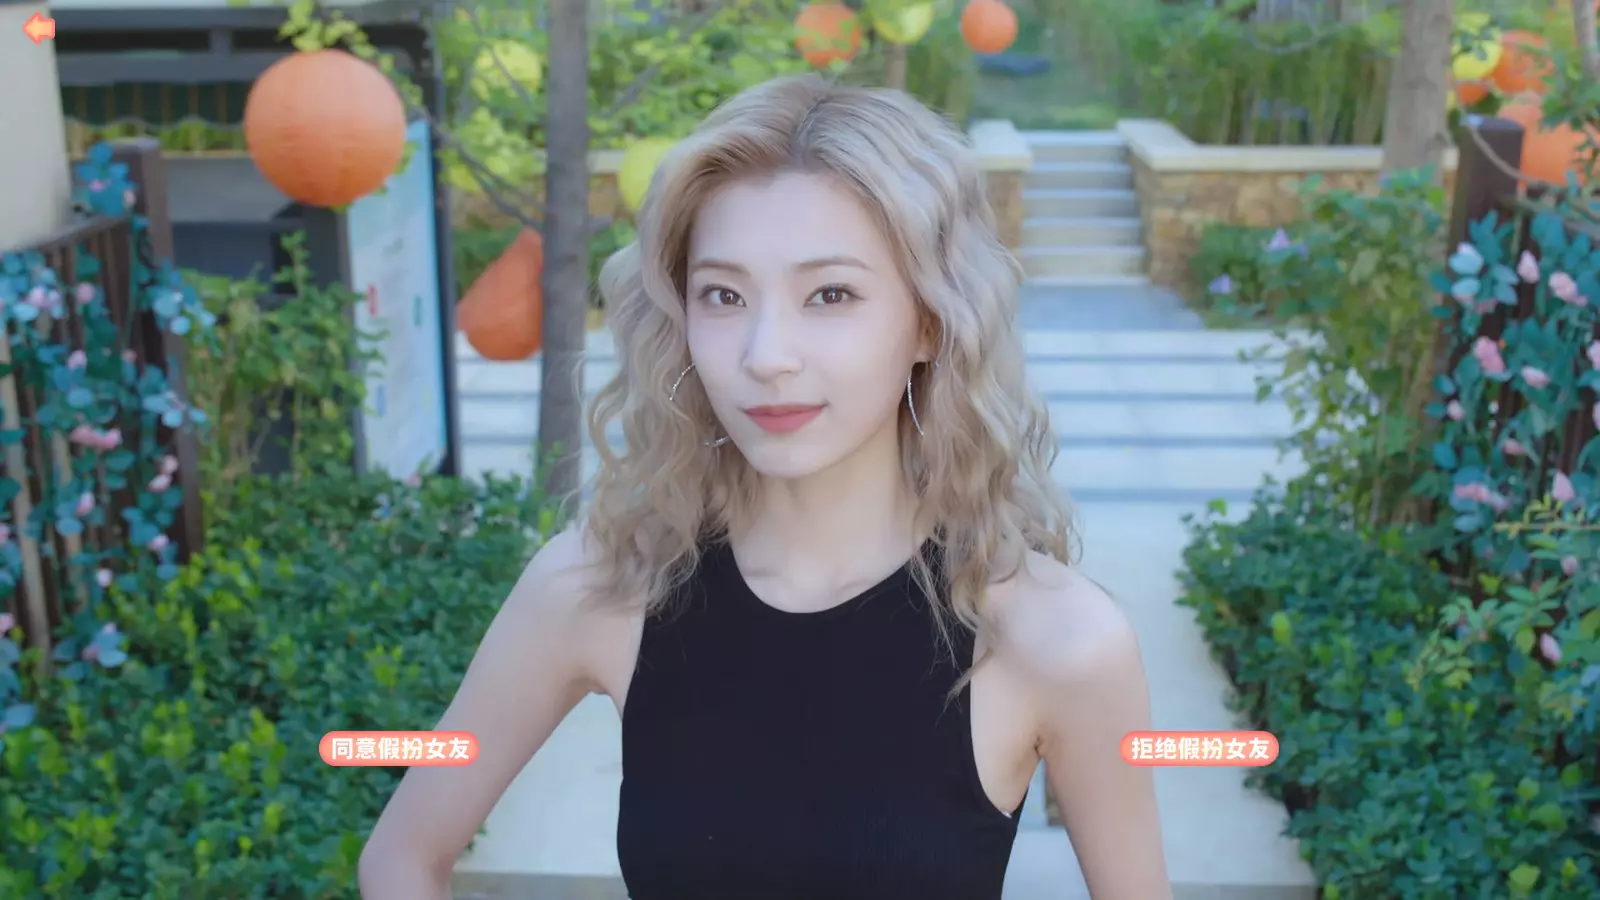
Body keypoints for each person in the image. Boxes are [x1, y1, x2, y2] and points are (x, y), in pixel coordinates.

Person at [359, 73, 1169, 900]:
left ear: (932, 320)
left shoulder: (1058, 639)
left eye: (830, 294)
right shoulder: (600, 587)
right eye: (724, 295)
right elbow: (399, 858)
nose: (765, 355)